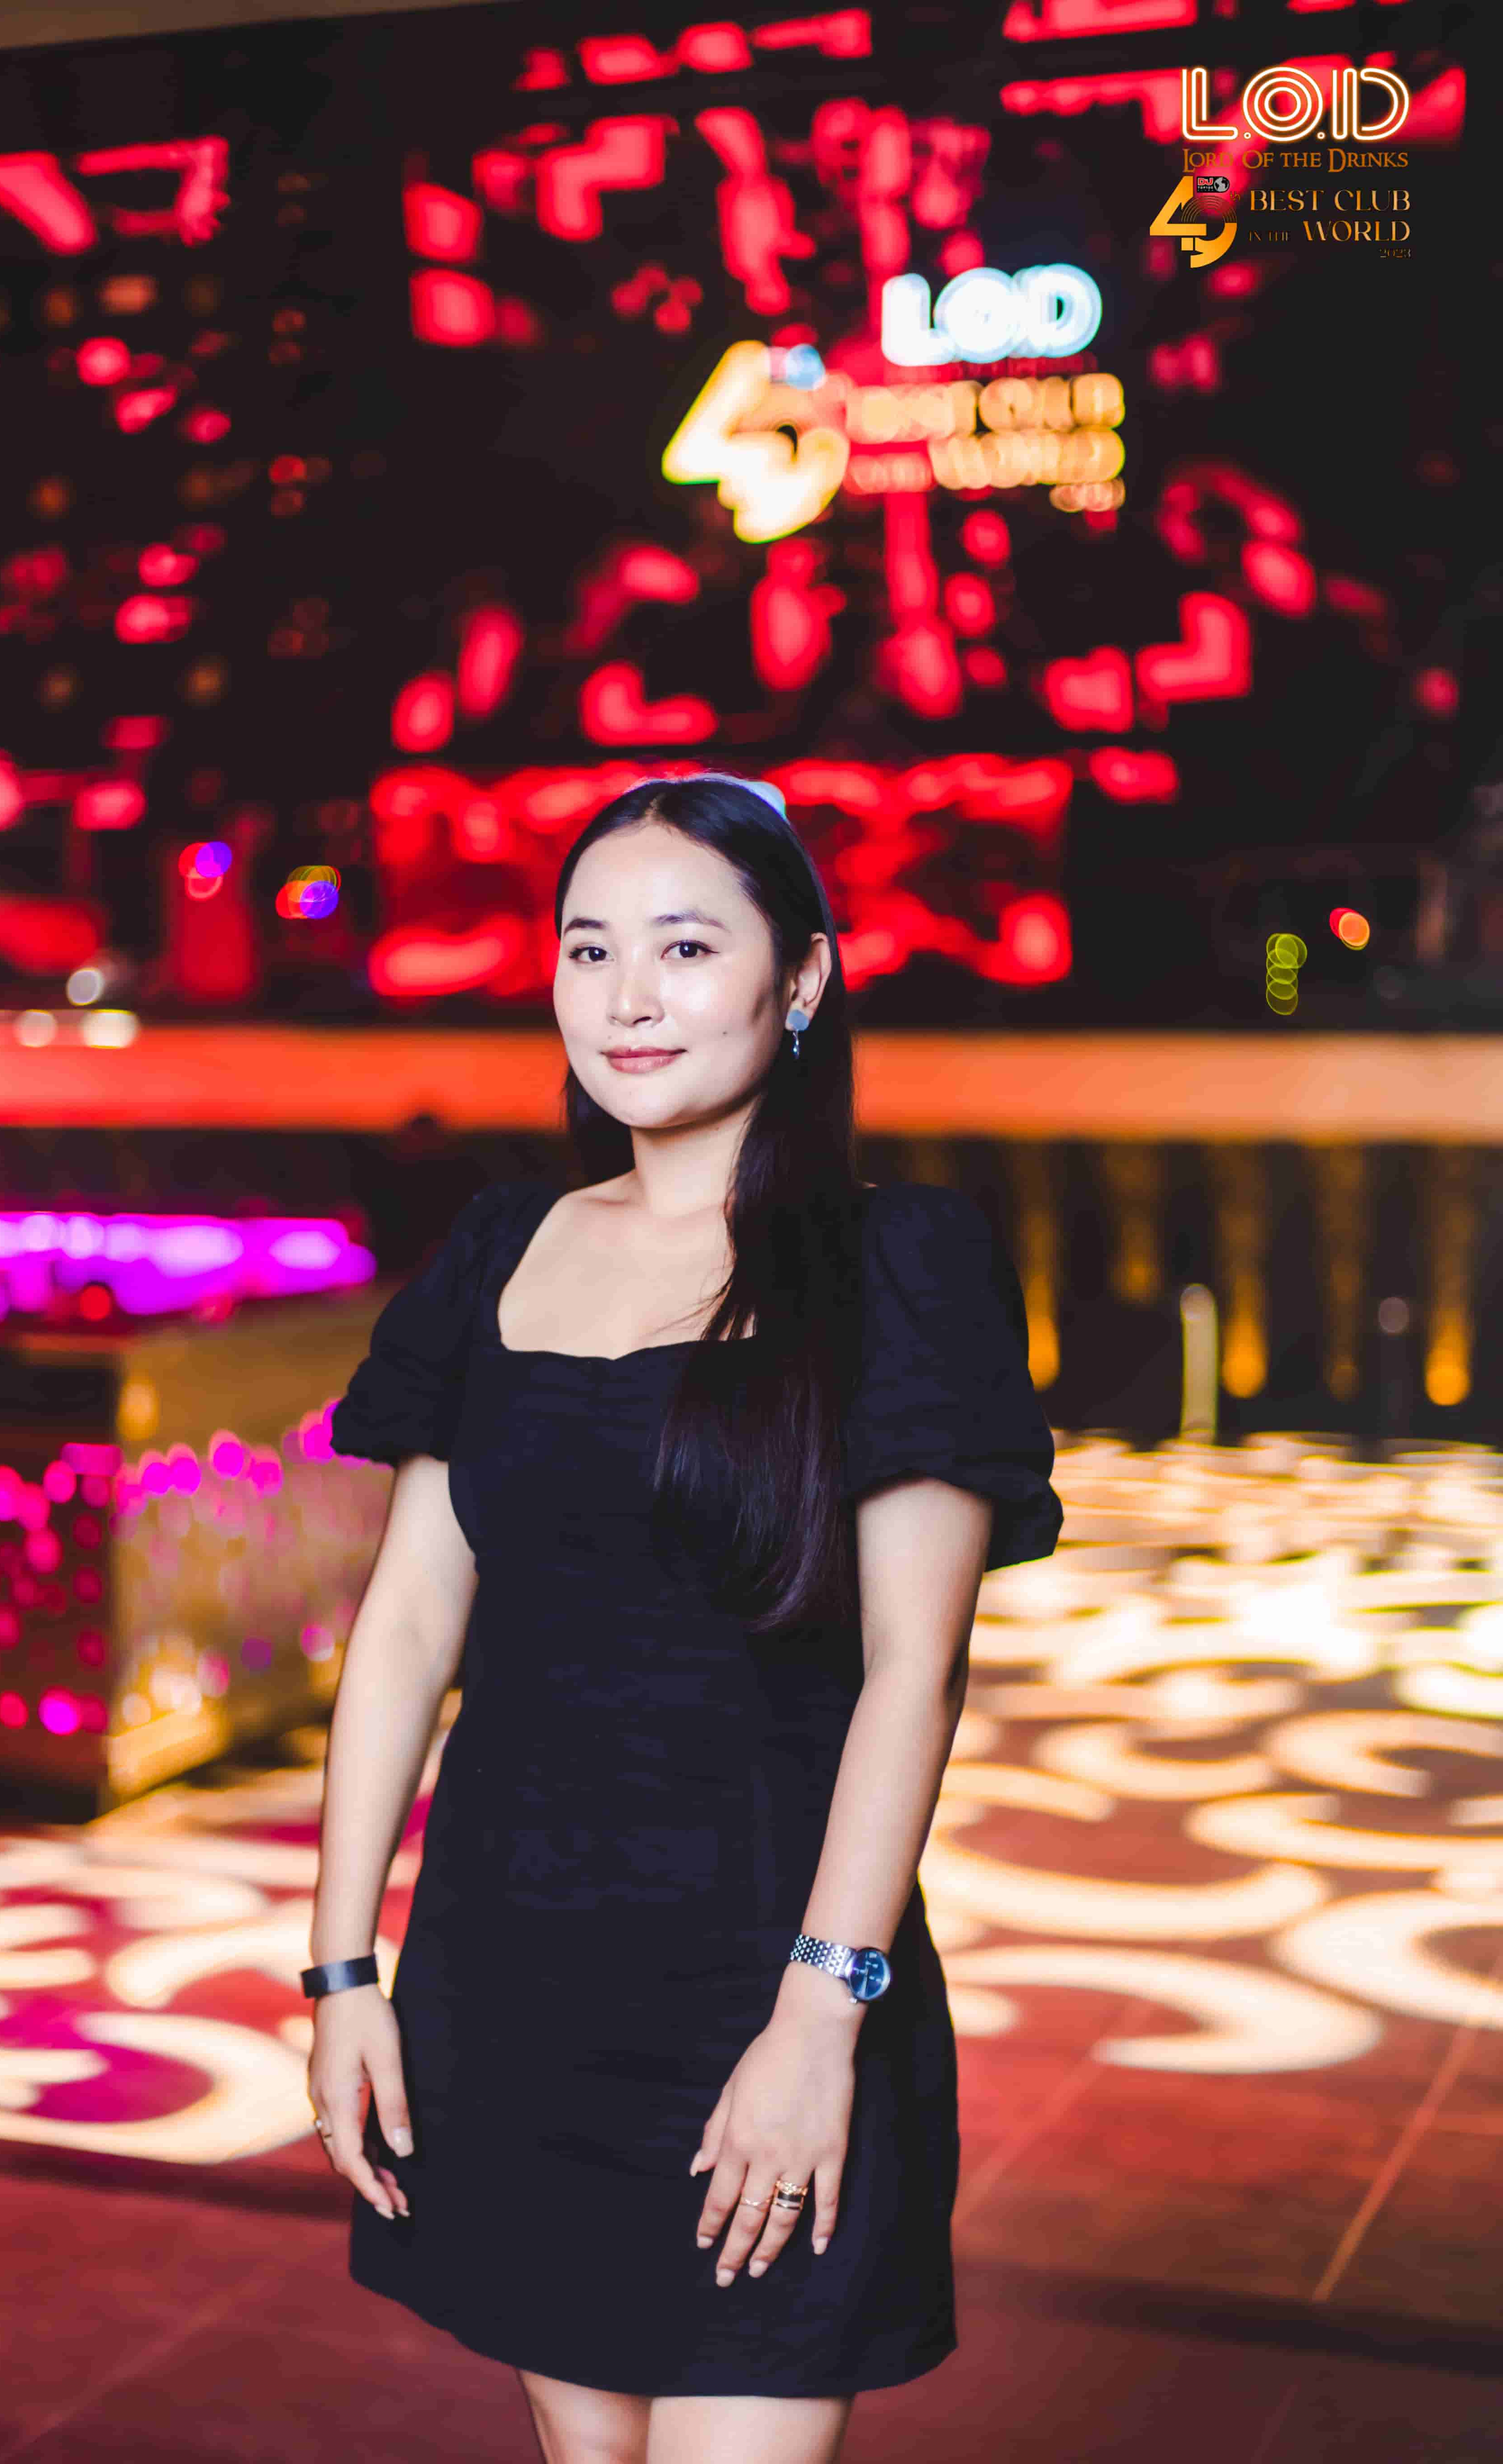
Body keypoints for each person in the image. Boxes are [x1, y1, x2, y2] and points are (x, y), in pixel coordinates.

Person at [305, 773, 1061, 2464]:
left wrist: (820, 2018)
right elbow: (409, 1624)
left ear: (802, 980)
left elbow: (913, 1675)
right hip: (506, 1988)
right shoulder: (502, 1247)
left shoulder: (899, 1265)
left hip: (764, 1984)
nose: (628, 998)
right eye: (590, 950)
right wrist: (344, 1970)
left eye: (686, 947)